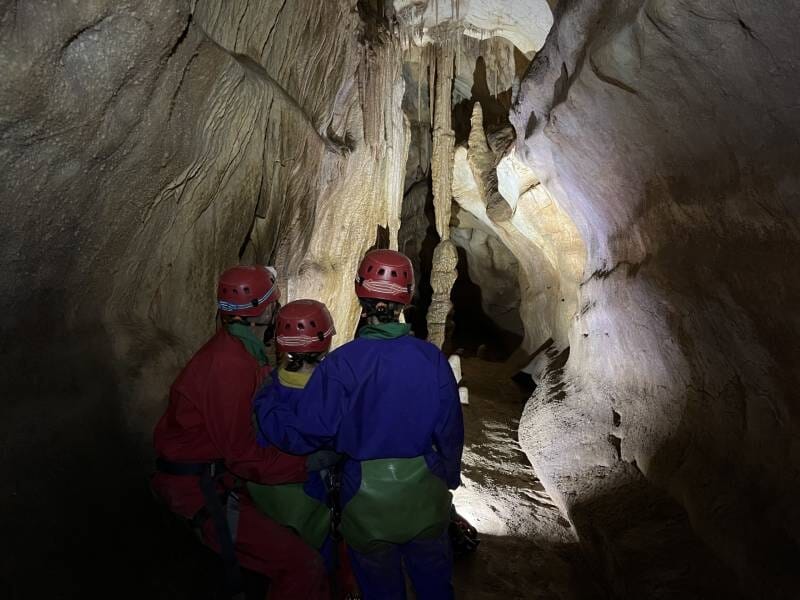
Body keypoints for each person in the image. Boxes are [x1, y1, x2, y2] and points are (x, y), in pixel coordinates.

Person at [254, 250, 464, 600]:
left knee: (381, 589)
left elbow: (308, 433)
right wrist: (448, 475)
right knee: (435, 586)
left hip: (365, 503)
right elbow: (450, 431)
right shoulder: (431, 359)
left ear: (359, 292)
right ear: (406, 297)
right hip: (424, 494)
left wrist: (267, 404)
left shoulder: (340, 364)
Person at [152, 265, 329, 599]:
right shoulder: (229, 365)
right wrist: (306, 464)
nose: (277, 311)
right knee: (303, 564)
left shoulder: (240, 350)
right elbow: (244, 456)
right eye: (274, 306)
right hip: (198, 487)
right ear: (259, 313)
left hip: (218, 475)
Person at [249, 299, 360, 599]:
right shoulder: (335, 394)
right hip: (316, 499)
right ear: (325, 342)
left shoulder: (267, 391)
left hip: (270, 499)